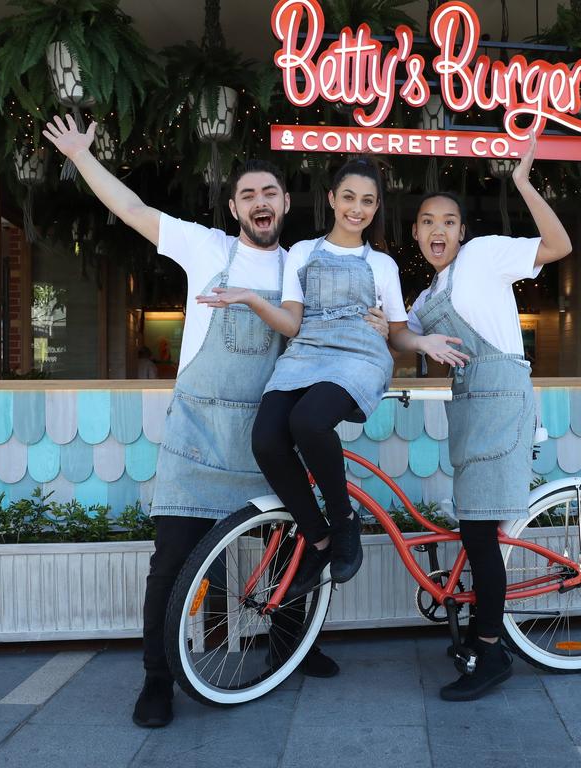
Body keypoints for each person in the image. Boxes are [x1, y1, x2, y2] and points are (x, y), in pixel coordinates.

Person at [43, 115, 388, 728]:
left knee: (289, 552)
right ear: (234, 206)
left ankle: (289, 646)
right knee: (171, 560)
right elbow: (130, 207)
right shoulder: (207, 248)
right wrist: (80, 156)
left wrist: (380, 327)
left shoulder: (303, 265)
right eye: (249, 194)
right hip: (200, 435)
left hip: (267, 435)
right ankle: (157, 678)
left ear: (285, 203)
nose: (261, 203)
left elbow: (350, 318)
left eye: (270, 193)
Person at [204, 158, 465, 599]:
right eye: (348, 198)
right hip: (306, 352)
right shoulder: (303, 252)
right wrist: (249, 298)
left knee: (308, 421)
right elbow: (290, 324)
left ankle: (344, 522)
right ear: (332, 199)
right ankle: (319, 537)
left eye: (367, 201)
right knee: (266, 439)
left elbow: (398, 333)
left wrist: (424, 344)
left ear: (376, 206)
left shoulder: (382, 264)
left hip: (360, 355)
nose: (356, 209)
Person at [393, 138, 572, 701]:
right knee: (476, 527)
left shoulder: (483, 254)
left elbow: (560, 245)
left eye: (448, 220)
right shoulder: (428, 294)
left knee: (479, 532)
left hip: (501, 399)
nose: (437, 228)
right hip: (469, 411)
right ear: (417, 235)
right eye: (427, 221)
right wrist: (413, 336)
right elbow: (400, 332)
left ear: (461, 232)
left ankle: (491, 652)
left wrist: (521, 183)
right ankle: (478, 632)